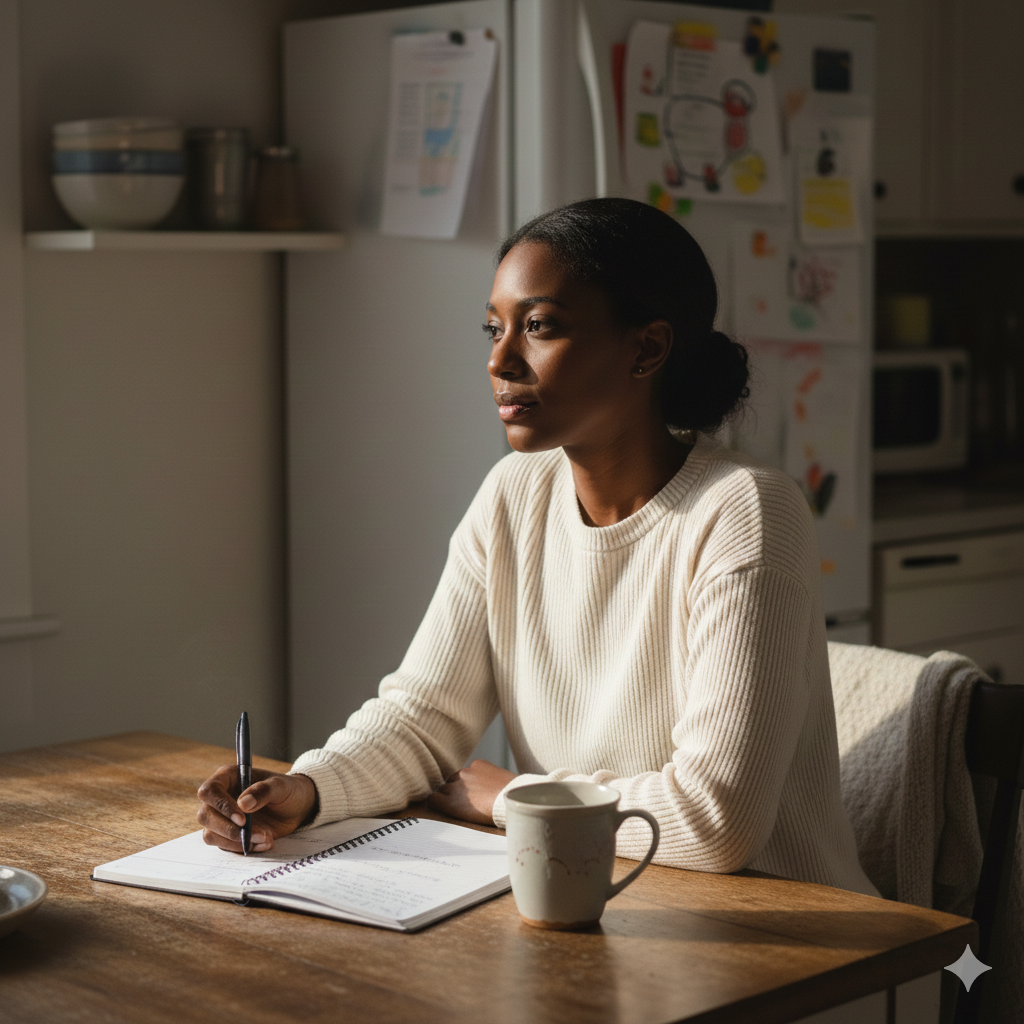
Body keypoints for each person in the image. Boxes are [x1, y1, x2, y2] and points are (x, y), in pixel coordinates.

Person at [197, 197, 875, 896]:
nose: (500, 359)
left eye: (540, 327)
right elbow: (423, 717)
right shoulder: (514, 495)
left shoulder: (744, 511)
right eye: (494, 328)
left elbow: (716, 819)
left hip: (792, 935)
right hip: (596, 900)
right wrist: (308, 789)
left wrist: (514, 796)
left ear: (646, 347)